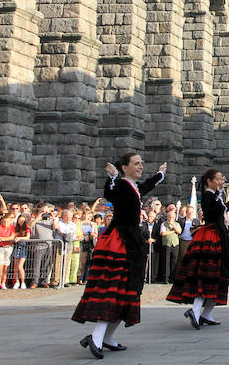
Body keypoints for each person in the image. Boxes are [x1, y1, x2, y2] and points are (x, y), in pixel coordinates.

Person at [73, 154, 166, 359]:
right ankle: (96, 337)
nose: (140, 166)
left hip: (131, 240)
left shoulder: (132, 186)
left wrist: (160, 173)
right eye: (136, 163)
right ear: (125, 167)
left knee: (127, 291)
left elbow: (146, 186)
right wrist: (113, 177)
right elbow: (111, 194)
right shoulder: (122, 185)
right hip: (120, 241)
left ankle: (107, 338)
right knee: (114, 289)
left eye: (142, 163)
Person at [167, 169, 229, 329]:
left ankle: (206, 313)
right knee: (207, 273)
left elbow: (225, 208)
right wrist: (219, 193)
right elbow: (211, 212)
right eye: (219, 179)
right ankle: (195, 310)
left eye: (222, 178)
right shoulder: (208, 195)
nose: (222, 181)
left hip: (219, 234)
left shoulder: (216, 196)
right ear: (209, 181)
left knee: (218, 275)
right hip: (211, 235)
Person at [159, 204, 181, 284]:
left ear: (174, 217)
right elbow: (163, 233)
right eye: (169, 217)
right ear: (167, 217)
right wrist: (172, 231)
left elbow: (179, 232)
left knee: (174, 262)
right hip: (166, 245)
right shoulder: (163, 224)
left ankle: (173, 278)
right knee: (166, 262)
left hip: (175, 245)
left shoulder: (177, 224)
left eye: (172, 217)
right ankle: (166, 279)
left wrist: (173, 226)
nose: (170, 218)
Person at [0, 213, 15, 290]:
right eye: (4, 221)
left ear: (10, 222)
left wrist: (1, 239)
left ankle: (3, 283)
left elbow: (11, 237)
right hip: (0, 248)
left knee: (6, 267)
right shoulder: (0, 227)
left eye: (7, 221)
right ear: (2, 221)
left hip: (8, 247)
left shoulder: (12, 227)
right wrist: (4, 238)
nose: (6, 223)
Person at [11, 213, 30, 289]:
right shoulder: (16, 229)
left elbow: (27, 237)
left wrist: (20, 238)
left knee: (20, 266)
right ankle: (17, 282)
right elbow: (13, 236)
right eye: (19, 220)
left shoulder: (27, 229)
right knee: (15, 267)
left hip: (23, 248)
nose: (21, 221)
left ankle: (22, 282)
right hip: (16, 247)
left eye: (22, 220)